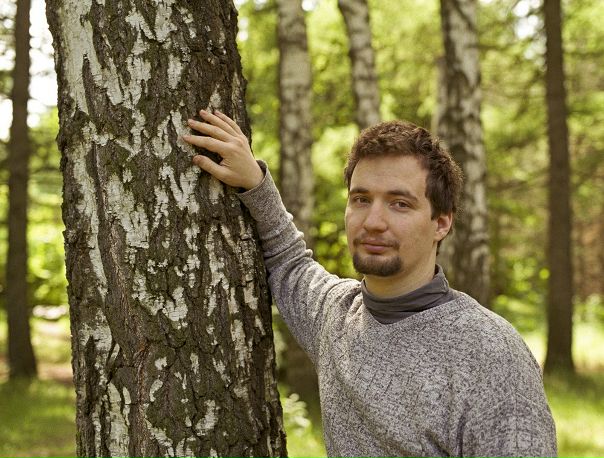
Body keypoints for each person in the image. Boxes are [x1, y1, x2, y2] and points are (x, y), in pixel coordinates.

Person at [183, 109, 557, 458]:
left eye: (400, 204)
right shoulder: (334, 316)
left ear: (441, 223)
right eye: (361, 199)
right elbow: (288, 259)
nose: (373, 222)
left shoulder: (491, 353)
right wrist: (255, 181)